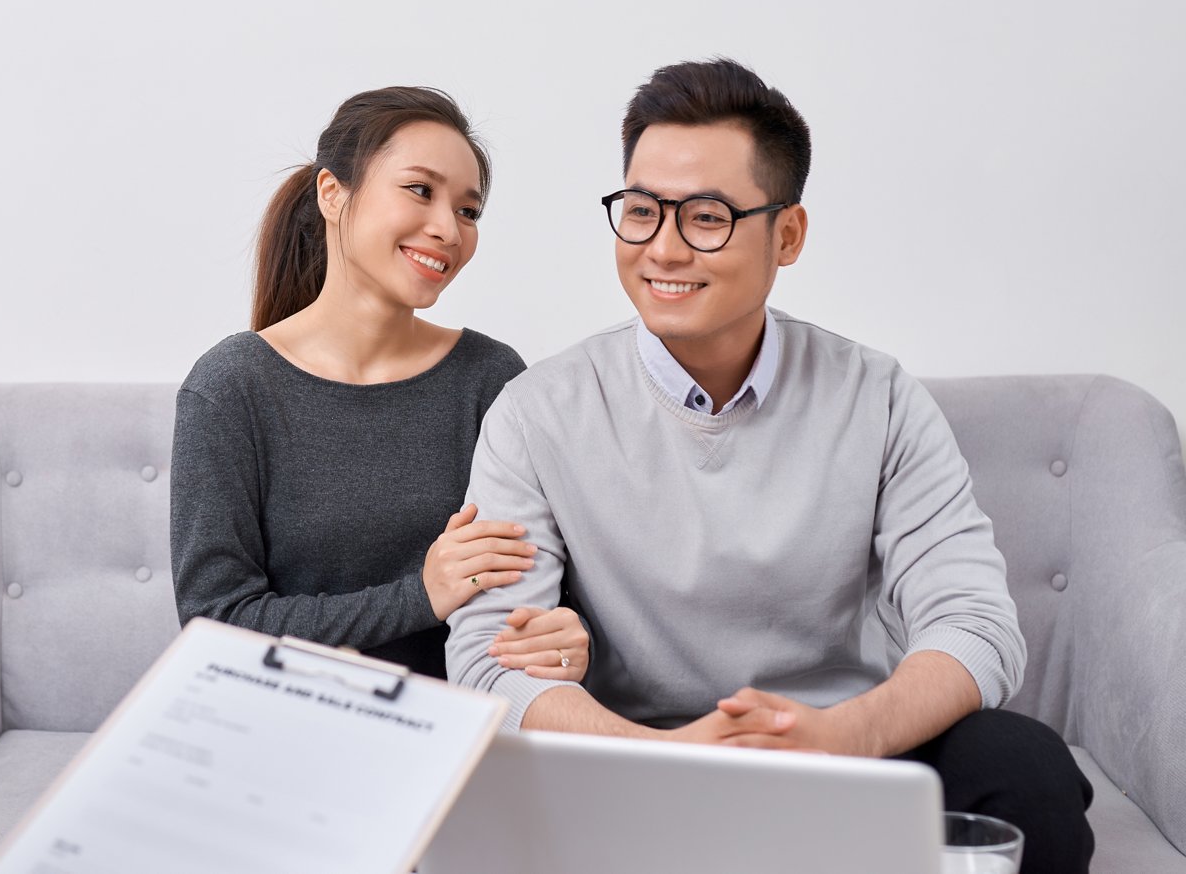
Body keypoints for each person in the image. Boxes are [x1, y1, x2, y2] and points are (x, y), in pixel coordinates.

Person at [447, 60, 1094, 874]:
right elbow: (486, 661)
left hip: (846, 754)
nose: (664, 249)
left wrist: (842, 738)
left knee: (1026, 770)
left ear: (786, 235)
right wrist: (667, 757)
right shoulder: (537, 413)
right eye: (641, 212)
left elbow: (977, 625)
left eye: (708, 217)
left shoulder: (876, 395)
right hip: (638, 765)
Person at [171, 86, 589, 684]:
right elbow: (215, 623)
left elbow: (540, 581)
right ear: (333, 194)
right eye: (420, 190)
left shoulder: (489, 378)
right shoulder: (231, 388)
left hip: (463, 728)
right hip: (288, 725)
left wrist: (569, 635)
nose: (448, 228)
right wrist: (420, 597)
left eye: (469, 211)